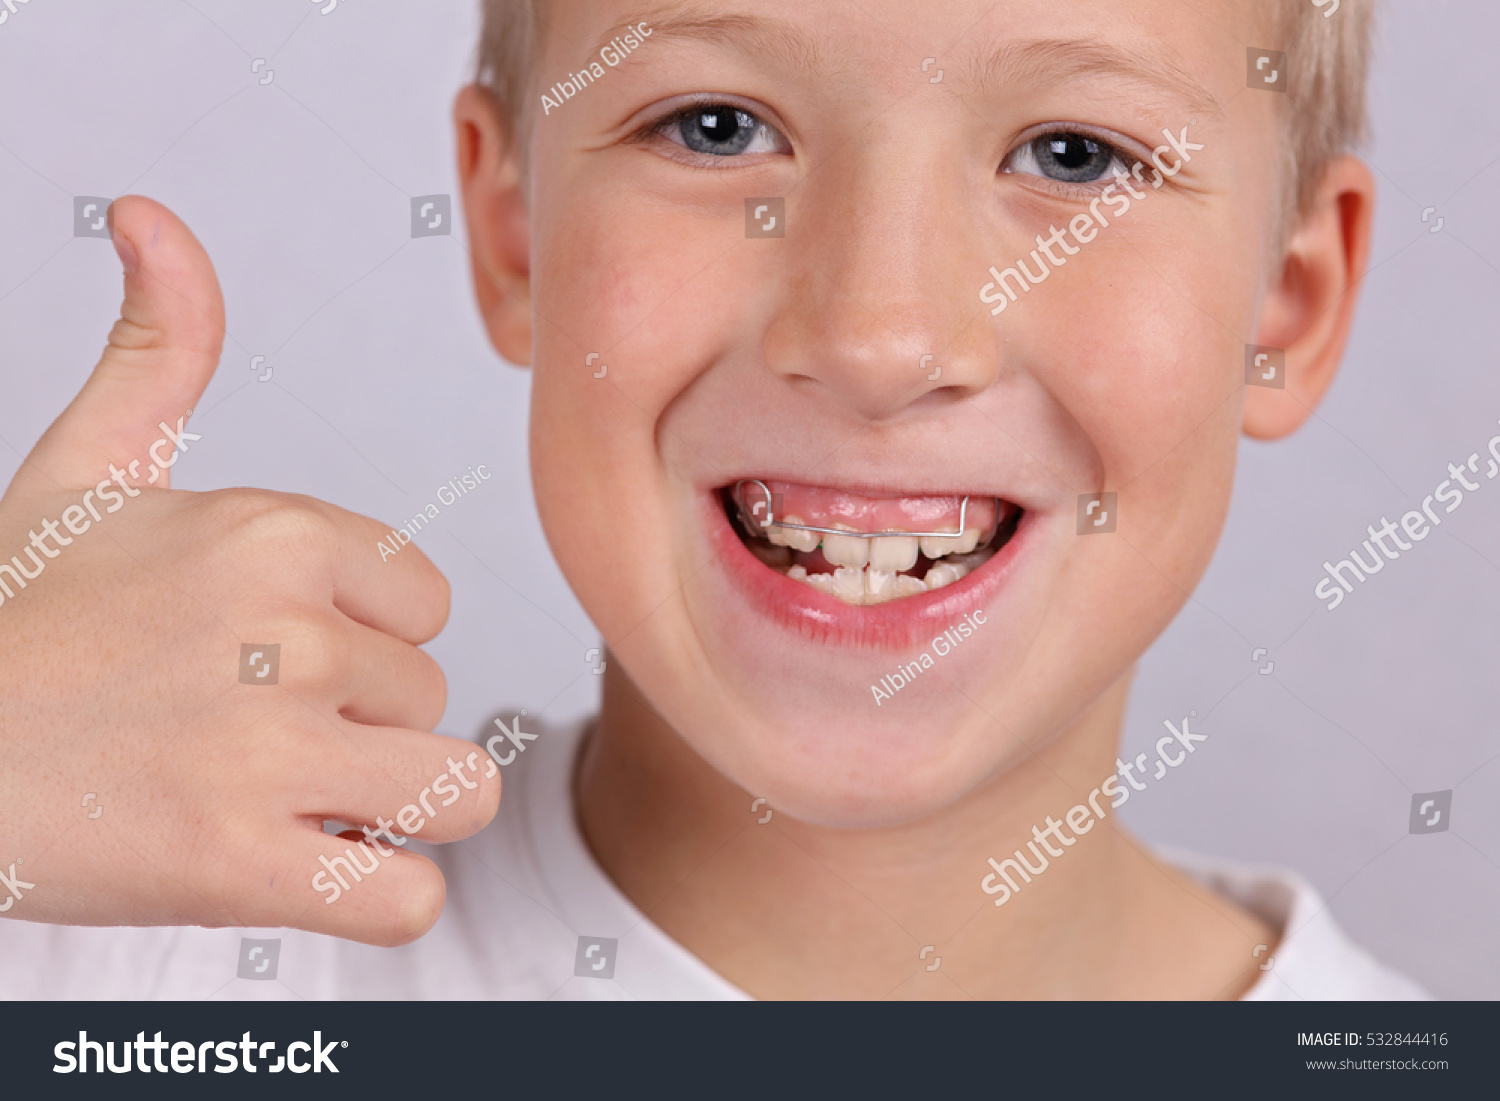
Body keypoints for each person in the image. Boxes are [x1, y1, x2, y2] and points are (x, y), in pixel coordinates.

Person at [0, 0, 1424, 999]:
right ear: (512, 231)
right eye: (719, 126)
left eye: (1077, 157)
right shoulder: (103, 951)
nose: (879, 336)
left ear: (1288, 303)